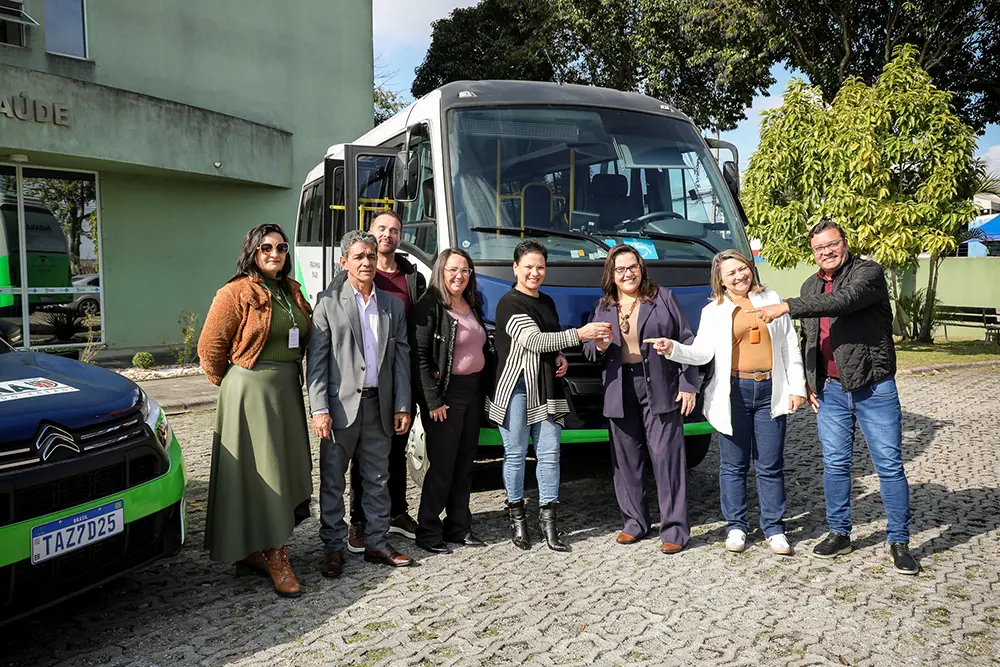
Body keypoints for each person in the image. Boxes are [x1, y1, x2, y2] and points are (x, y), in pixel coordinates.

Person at [755, 219, 918, 575]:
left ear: (845, 242)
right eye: (819, 248)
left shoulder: (868, 273)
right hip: (830, 391)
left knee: (888, 465)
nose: (826, 252)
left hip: (873, 386)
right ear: (812, 252)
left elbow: (843, 302)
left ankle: (899, 540)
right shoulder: (810, 283)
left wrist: (786, 306)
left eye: (832, 244)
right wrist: (809, 383)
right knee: (835, 464)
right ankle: (840, 532)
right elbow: (809, 339)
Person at [651, 249, 806, 556]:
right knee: (733, 465)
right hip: (734, 391)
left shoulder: (772, 298)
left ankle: (774, 528)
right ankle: (736, 526)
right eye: (731, 273)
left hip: (770, 390)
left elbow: (789, 346)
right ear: (720, 281)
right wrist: (673, 349)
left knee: (770, 464)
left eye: (743, 269)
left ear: (751, 269)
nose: (739, 276)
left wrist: (797, 387)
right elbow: (702, 353)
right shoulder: (714, 311)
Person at [198, 223, 313, 598]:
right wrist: (236, 387)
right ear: (252, 251)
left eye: (280, 248)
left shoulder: (291, 291)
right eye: (266, 248)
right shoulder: (235, 292)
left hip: (286, 390)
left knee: (283, 469)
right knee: (267, 475)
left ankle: (253, 550)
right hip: (249, 391)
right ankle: (276, 555)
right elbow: (209, 349)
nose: (274, 254)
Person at [487, 240, 612, 551]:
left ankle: (549, 523)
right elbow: (534, 340)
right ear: (515, 268)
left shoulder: (548, 301)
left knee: (550, 455)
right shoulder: (508, 303)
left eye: (540, 267)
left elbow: (548, 344)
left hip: (546, 387)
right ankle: (517, 519)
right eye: (528, 266)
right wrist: (580, 335)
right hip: (515, 387)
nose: (535, 272)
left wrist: (560, 356)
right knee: (515, 454)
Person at [307, 229, 414, 577]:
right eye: (358, 257)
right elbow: (317, 362)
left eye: (370, 256)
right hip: (339, 410)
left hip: (379, 407)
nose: (366, 262)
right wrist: (319, 409)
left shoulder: (392, 305)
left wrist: (402, 405)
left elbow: (401, 359)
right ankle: (334, 547)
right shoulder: (327, 304)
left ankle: (377, 543)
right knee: (333, 481)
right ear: (344, 262)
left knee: (378, 479)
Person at [582, 245, 699, 554]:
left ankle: (675, 529)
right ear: (611, 274)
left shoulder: (663, 298)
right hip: (620, 389)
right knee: (626, 462)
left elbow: (686, 342)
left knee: (666, 457)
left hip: (660, 385)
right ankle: (634, 522)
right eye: (620, 269)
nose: (627, 274)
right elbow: (590, 352)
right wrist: (601, 344)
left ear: (641, 268)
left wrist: (689, 384)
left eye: (632, 267)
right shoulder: (604, 306)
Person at [333, 211, 425, 553]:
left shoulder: (409, 276)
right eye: (381, 229)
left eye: (395, 231)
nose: (388, 235)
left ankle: (396, 513)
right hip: (358, 387)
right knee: (363, 457)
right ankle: (359, 521)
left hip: (397, 379)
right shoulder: (345, 281)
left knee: (395, 451)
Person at [412, 248, 493, 553]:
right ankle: (429, 532)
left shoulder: (472, 304)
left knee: (465, 465)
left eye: (465, 271)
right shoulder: (429, 306)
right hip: (446, 394)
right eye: (452, 270)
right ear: (440, 272)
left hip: (473, 393)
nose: (459, 276)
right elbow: (419, 357)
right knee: (442, 467)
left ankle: (459, 527)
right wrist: (432, 401)